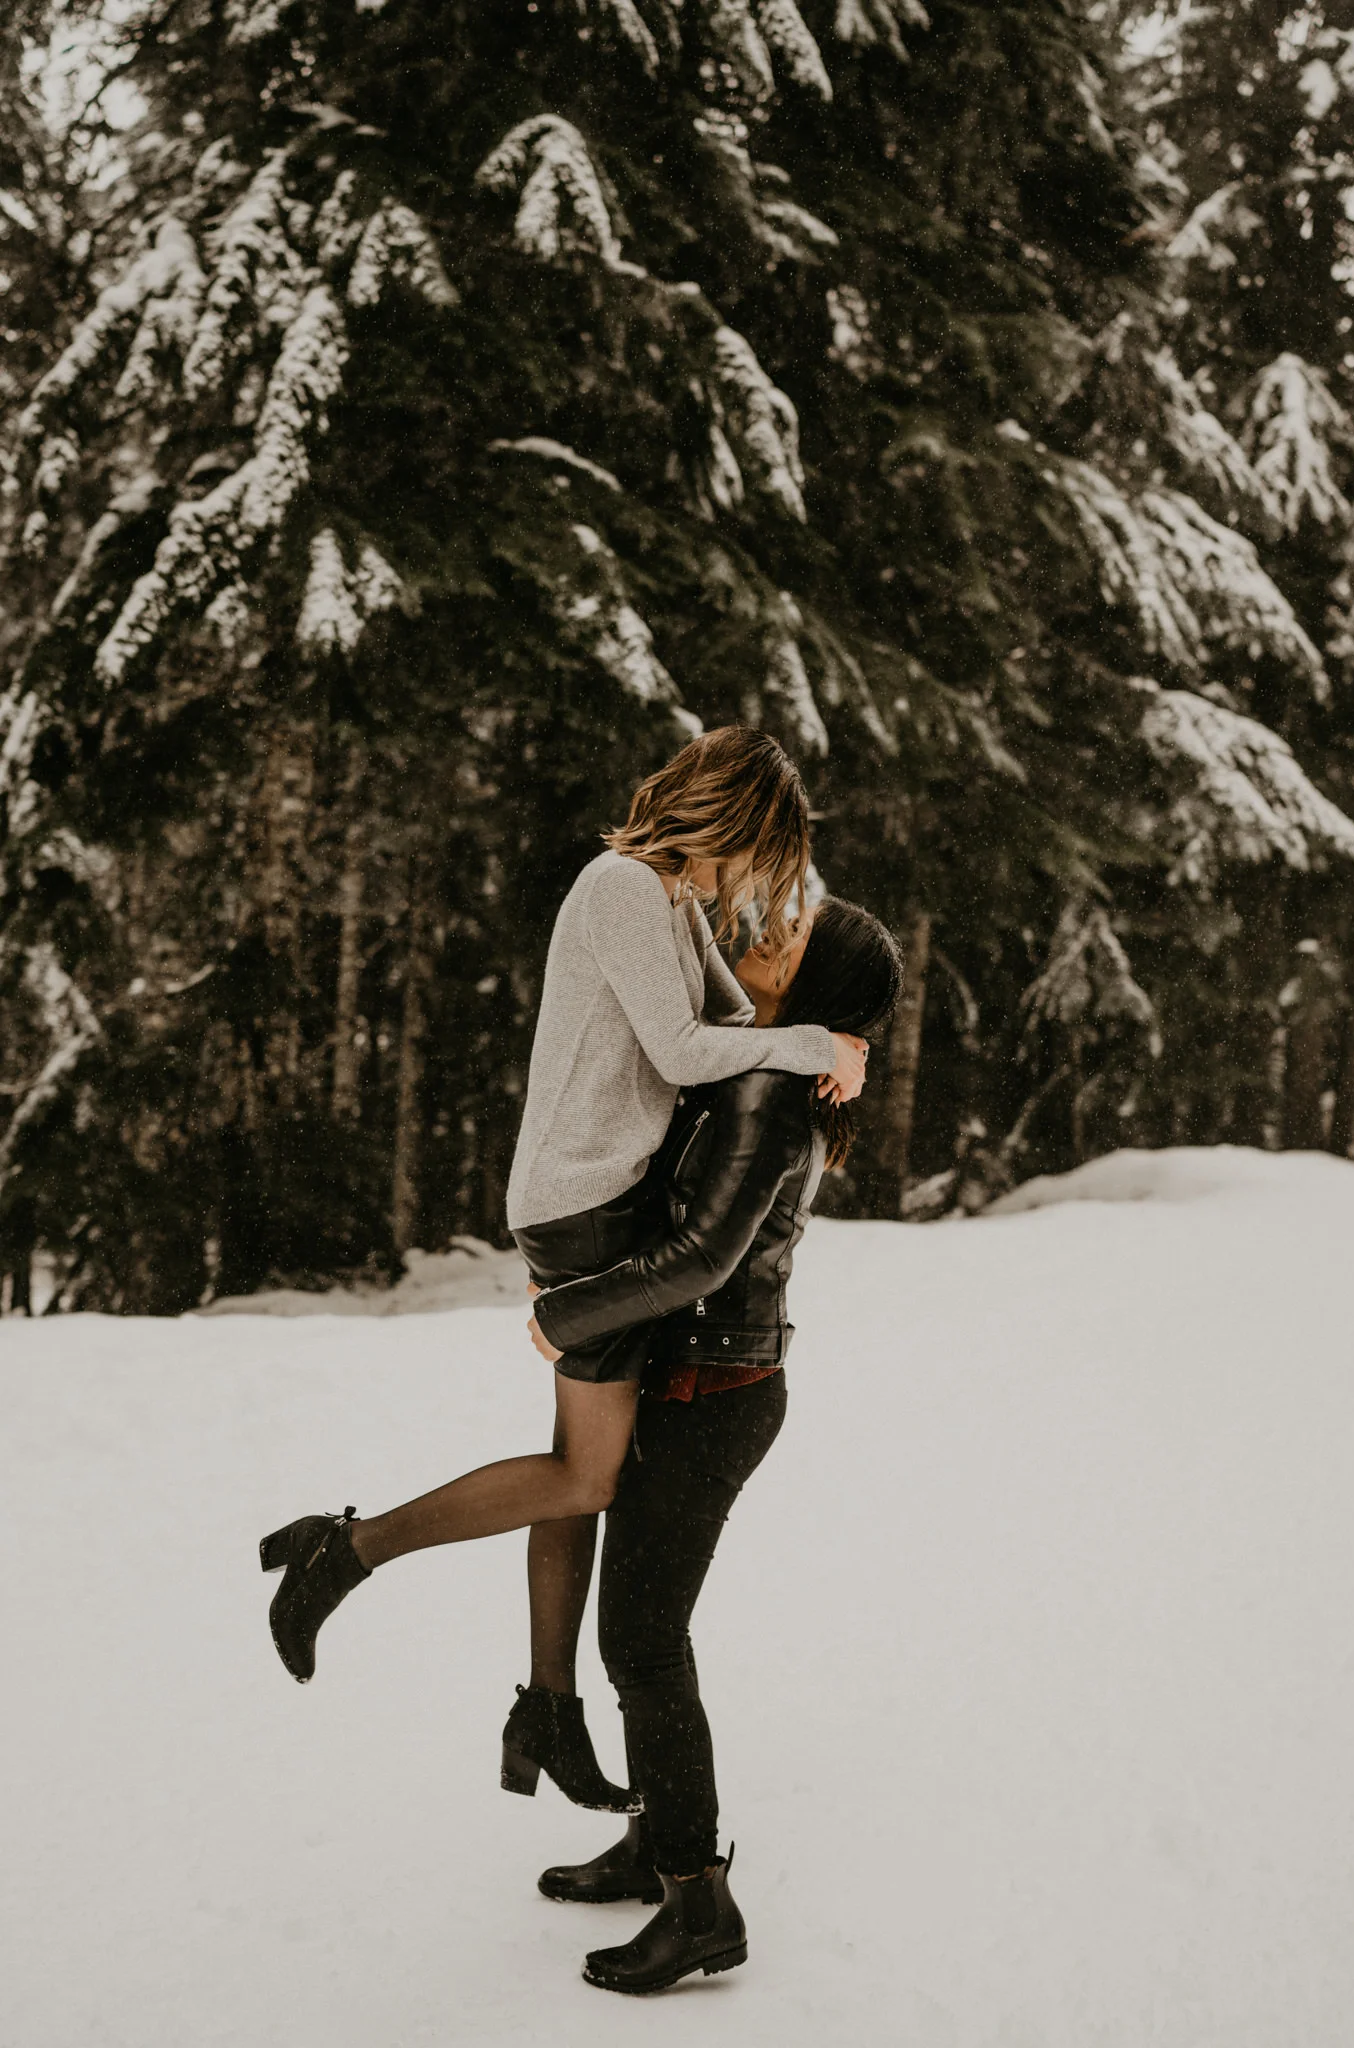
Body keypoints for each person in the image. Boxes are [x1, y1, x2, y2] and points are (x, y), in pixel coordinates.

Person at [259, 729, 868, 1814]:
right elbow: (688, 1053)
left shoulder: (675, 902)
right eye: (759, 853)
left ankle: (549, 1707)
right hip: (580, 1204)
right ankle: (344, 1549)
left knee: (578, 1461)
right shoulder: (622, 886)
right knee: (588, 1475)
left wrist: (816, 1038)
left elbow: (732, 1020)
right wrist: (816, 1044)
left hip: (607, 1197)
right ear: (722, 820)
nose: (757, 886)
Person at [526, 896, 903, 1992]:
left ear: (814, 986)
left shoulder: (766, 1091)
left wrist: (572, 1312)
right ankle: (656, 1838)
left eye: (788, 941)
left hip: (713, 1386)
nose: (758, 941)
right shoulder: (770, 1067)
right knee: (644, 1633)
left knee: (642, 1641)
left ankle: (700, 1901)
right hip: (704, 1377)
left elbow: (698, 1256)